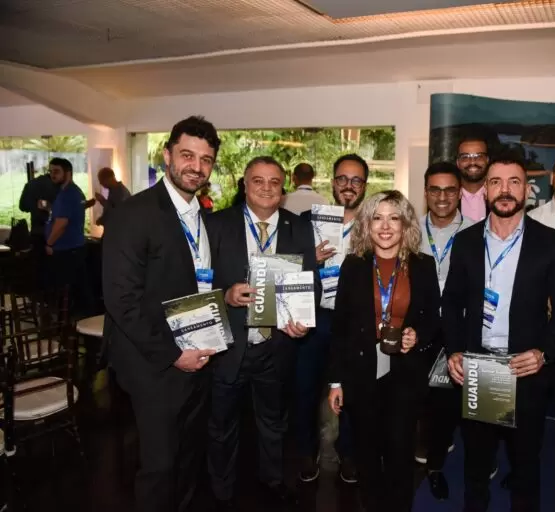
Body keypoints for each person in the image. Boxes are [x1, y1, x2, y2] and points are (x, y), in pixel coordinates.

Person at [443, 151, 555, 512]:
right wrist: (454, 350)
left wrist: (544, 352)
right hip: (479, 368)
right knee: (476, 463)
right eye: (496, 182)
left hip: (525, 369)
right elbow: (451, 302)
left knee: (526, 466)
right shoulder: (466, 241)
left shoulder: (552, 243)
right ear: (485, 190)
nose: (505, 190)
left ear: (527, 190)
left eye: (514, 182)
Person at [102, 116, 221, 512]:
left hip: (197, 355)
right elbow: (121, 301)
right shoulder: (133, 213)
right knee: (159, 466)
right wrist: (173, 354)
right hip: (154, 363)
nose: (196, 167)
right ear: (167, 155)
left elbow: (195, 281)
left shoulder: (200, 213)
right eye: (187, 155)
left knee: (188, 457)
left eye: (206, 159)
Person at [206, 156, 317, 511]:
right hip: (230, 345)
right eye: (258, 180)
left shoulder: (300, 228)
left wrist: (303, 320)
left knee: (274, 422)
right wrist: (225, 295)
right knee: (221, 424)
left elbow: (311, 282)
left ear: (283, 189)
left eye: (274, 182)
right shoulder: (216, 224)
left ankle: (272, 480)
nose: (266, 188)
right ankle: (221, 490)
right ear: (244, 185)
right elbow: (197, 281)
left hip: (277, 344)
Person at [327, 190, 441, 512]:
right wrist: (335, 382)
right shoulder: (353, 265)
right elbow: (340, 327)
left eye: (394, 218)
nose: (386, 226)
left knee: (400, 452)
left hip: (406, 375)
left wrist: (418, 335)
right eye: (377, 218)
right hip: (361, 375)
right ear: (367, 224)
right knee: (366, 452)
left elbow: (433, 319)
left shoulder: (423, 265)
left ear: (406, 224)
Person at [295, 154, 367, 484]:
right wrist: (310, 258)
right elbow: (288, 263)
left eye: (356, 180)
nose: (348, 186)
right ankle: (306, 451)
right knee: (306, 389)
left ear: (364, 185)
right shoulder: (307, 221)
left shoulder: (373, 223)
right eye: (342, 179)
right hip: (314, 317)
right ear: (332, 182)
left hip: (353, 322)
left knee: (351, 391)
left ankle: (349, 453)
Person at [417, 161, 475, 500]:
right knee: (411, 399)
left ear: (460, 193)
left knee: (447, 403)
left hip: (457, 330)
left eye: (450, 189)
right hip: (415, 330)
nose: (442, 197)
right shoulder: (409, 230)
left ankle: (435, 466)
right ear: (426, 192)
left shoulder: (476, 233)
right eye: (435, 190)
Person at [45, 157, 95, 316]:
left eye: (56, 171)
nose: (53, 175)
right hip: (74, 248)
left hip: (67, 250)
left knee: (70, 292)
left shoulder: (67, 194)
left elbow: (62, 224)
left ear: (68, 173)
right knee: (78, 290)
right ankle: (80, 321)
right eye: (51, 171)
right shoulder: (73, 192)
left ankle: (71, 323)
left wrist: (50, 243)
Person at [18, 167, 58, 255]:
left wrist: (34, 205)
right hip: (55, 232)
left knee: (38, 260)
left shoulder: (31, 184)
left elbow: (22, 207)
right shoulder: (58, 185)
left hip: (36, 232)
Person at [456, 136, 490, 222]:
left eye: (479, 156)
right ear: (458, 162)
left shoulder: (497, 195)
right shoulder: (450, 197)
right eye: (465, 157)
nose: (472, 162)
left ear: (487, 160)